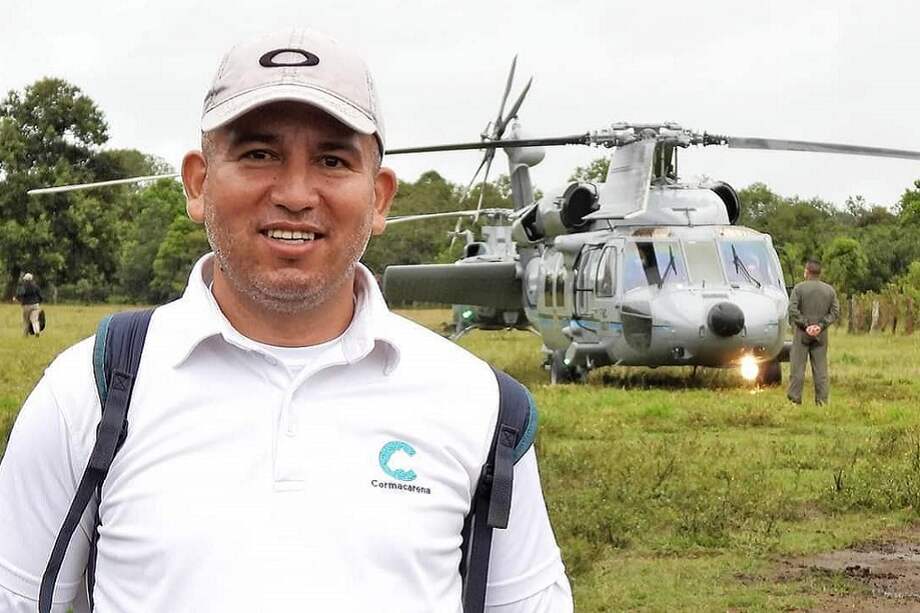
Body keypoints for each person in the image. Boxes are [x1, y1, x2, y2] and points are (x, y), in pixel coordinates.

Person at [0, 29, 573, 612]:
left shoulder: (481, 406)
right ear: (198, 183)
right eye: (258, 154)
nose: (296, 194)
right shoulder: (91, 391)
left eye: (332, 160)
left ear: (379, 198)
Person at [787, 259, 840, 405]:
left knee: (797, 369)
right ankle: (822, 401)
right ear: (819, 273)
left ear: (807, 271)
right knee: (821, 370)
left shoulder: (799, 289)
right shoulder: (829, 290)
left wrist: (806, 325)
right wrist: (820, 326)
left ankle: (795, 400)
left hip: (801, 334)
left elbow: (792, 309)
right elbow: (835, 312)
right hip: (821, 335)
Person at [13, 272, 43, 337]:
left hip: (26, 305)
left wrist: (16, 299)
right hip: (35, 305)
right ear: (31, 279)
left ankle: (25, 334)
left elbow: (19, 295)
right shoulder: (36, 286)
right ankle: (37, 331)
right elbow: (40, 296)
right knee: (35, 320)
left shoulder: (23, 286)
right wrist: (38, 302)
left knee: (26, 320)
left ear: (25, 279)